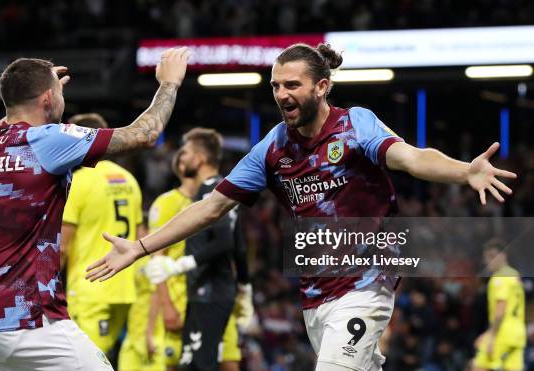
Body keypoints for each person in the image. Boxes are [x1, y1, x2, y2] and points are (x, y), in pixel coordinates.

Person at [86, 43, 516, 371]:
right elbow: (212, 207)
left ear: (321, 87)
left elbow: (411, 157)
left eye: (292, 85)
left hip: (367, 282)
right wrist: (141, 247)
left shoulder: (355, 124)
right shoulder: (273, 147)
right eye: (276, 85)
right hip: (316, 295)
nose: (281, 94)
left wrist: (464, 171)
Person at [0, 47, 190, 370]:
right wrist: (169, 84)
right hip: (24, 321)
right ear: (48, 99)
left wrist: (30, 89)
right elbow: (145, 134)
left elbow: (10, 120)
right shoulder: (48, 139)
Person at [145, 128, 249, 371]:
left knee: (200, 364)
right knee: (192, 363)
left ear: (200, 158)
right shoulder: (223, 188)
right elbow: (239, 243)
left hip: (210, 292)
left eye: (187, 152)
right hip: (206, 292)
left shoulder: (212, 191)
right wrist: (245, 287)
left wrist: (180, 265)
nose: (181, 156)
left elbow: (225, 241)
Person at [60, 113, 144, 360]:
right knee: (103, 359)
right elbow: (140, 235)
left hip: (91, 288)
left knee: (84, 362)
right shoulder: (129, 180)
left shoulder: (78, 181)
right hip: (125, 288)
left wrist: (47, 291)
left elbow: (62, 246)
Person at [473, 239, 525, 371]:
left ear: (502, 255)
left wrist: (491, 335)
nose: (487, 261)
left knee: (478, 367)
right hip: (518, 333)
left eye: (491, 257)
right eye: (486, 257)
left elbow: (500, 309)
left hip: (502, 332)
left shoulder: (499, 278)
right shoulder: (514, 274)